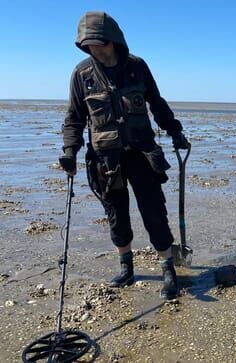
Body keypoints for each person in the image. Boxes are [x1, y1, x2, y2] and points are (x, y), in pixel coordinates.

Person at [61, 11, 190, 300]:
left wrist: (175, 132)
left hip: (142, 154)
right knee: (116, 214)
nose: (95, 49)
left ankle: (167, 266)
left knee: (154, 211)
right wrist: (70, 151)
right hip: (106, 159)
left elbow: (157, 104)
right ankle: (126, 265)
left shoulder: (137, 67)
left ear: (114, 40)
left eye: (100, 43)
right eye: (88, 45)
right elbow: (74, 119)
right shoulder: (82, 75)